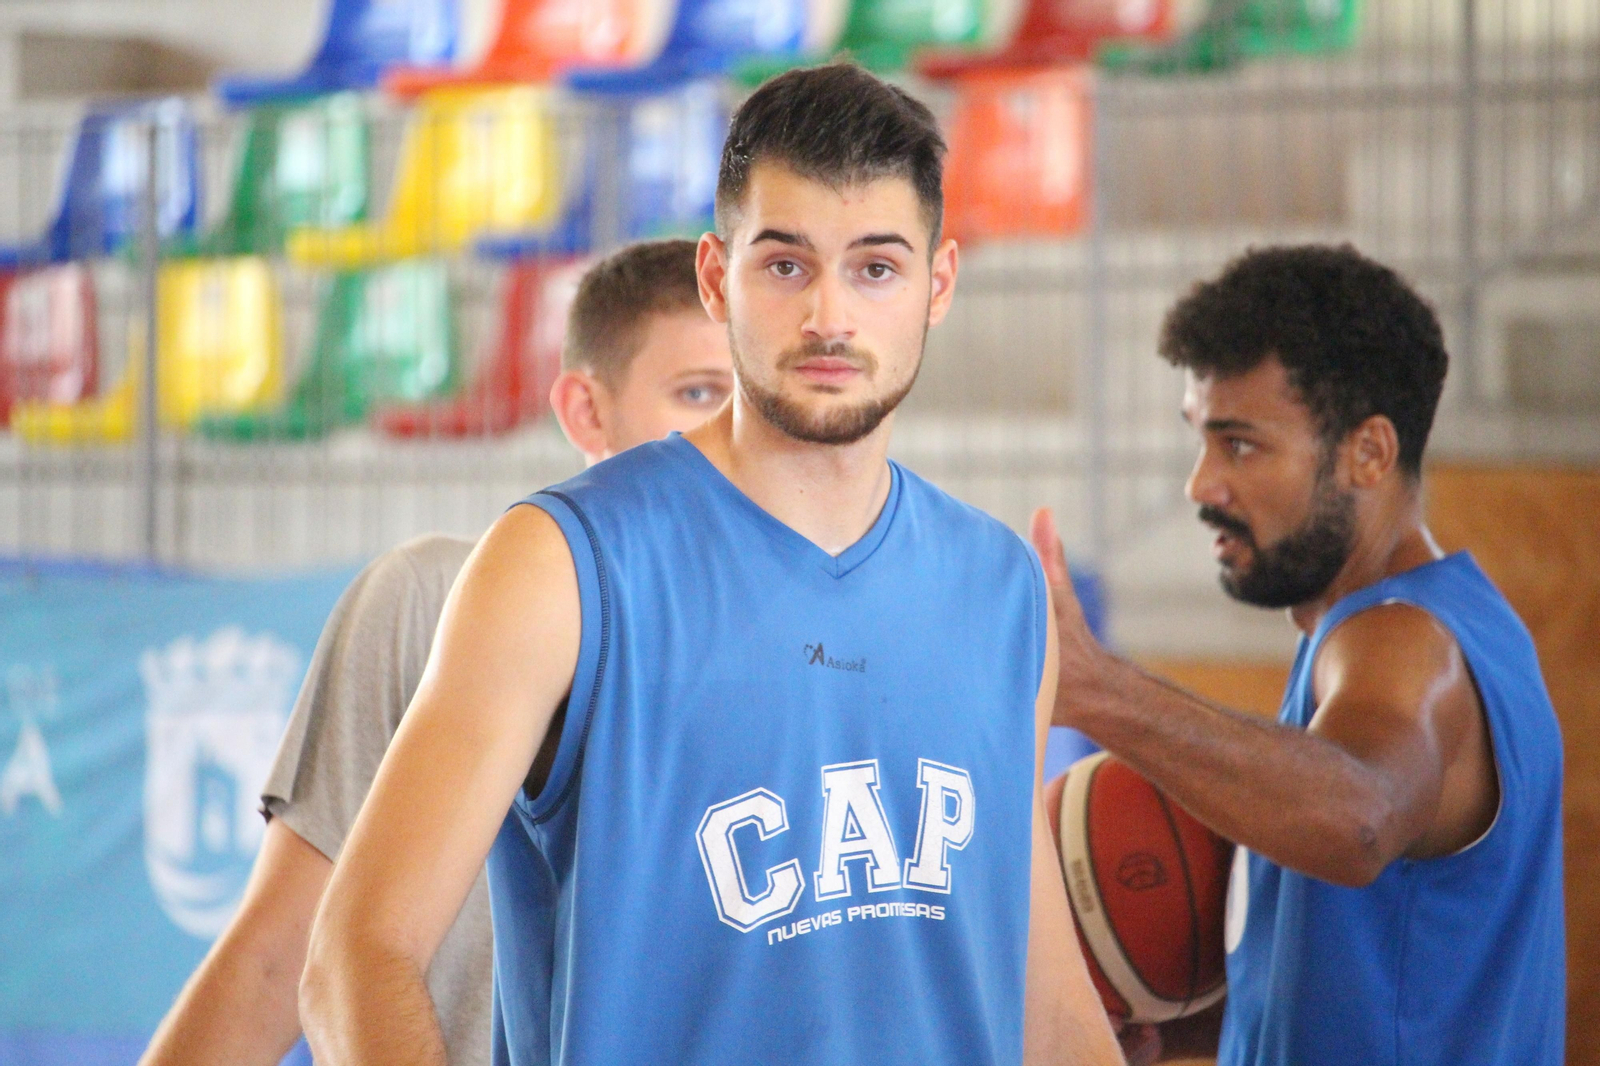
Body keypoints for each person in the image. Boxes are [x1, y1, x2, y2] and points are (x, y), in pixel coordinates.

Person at [299, 63, 1123, 1066]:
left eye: (875, 268)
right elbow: (356, 956)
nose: (828, 316)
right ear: (713, 275)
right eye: (785, 265)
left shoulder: (1001, 592)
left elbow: (1047, 1008)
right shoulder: (559, 563)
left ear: (936, 284)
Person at [137, 239, 735, 1066]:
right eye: (698, 392)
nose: (728, 434)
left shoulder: (809, 654)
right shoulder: (427, 602)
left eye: (750, 403)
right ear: (586, 411)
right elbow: (277, 958)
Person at [1031, 244, 1565, 1066]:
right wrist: (1178, 1028)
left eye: (1240, 445)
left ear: (1370, 453)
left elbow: (1358, 820)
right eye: (1201, 440)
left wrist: (1096, 689)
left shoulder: (1404, 642)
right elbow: (1396, 982)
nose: (1201, 484)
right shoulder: (1395, 634)